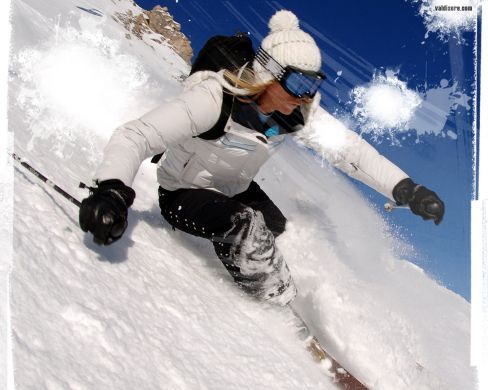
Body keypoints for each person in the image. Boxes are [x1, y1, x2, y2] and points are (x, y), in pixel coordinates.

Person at [79, 10, 444, 307]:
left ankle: (316, 309)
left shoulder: (297, 114)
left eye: (313, 85)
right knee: (245, 226)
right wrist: (111, 191)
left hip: (235, 188)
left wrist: (406, 189)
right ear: (270, 75)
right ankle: (278, 308)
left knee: (290, 238)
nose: (305, 96)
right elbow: (136, 135)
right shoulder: (215, 99)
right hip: (183, 192)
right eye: (299, 84)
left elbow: (353, 153)